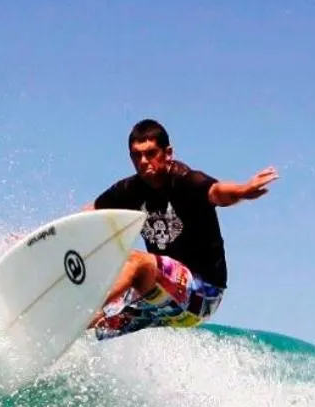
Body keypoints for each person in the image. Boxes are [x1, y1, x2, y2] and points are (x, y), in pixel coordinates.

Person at [85, 118, 277, 338]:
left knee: (136, 262)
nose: (143, 161)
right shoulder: (129, 189)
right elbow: (92, 212)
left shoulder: (186, 181)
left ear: (168, 153)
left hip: (202, 294)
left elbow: (217, 192)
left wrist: (243, 190)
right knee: (97, 326)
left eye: (150, 153)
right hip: (162, 298)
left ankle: (86, 312)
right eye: (136, 155)